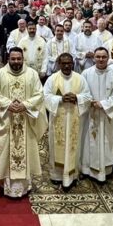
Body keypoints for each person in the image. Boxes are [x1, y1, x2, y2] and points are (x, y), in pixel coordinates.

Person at [0, 47, 47, 198]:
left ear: (23, 59)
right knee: (6, 152)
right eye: (13, 59)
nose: (16, 62)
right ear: (8, 59)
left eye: (18, 59)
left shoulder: (32, 74)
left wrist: (25, 105)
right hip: (7, 120)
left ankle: (24, 186)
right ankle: (7, 185)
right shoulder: (0, 74)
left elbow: (39, 93)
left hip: (26, 121)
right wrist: (8, 104)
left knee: (25, 151)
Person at [43, 52, 90, 189]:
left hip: (75, 119)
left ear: (73, 64)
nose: (67, 65)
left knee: (74, 146)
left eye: (69, 63)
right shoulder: (52, 79)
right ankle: (56, 175)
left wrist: (77, 98)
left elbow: (87, 96)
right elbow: (45, 96)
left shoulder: (80, 79)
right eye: (63, 63)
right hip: (58, 118)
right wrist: (60, 99)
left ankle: (72, 175)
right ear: (59, 64)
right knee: (57, 146)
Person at [77, 47, 113, 182]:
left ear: (108, 58)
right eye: (98, 57)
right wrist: (90, 101)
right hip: (90, 113)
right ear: (94, 58)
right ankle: (86, 168)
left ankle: (105, 169)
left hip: (107, 114)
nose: (101, 59)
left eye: (104, 57)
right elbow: (81, 92)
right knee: (87, 140)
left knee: (107, 140)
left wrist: (103, 104)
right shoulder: (86, 73)